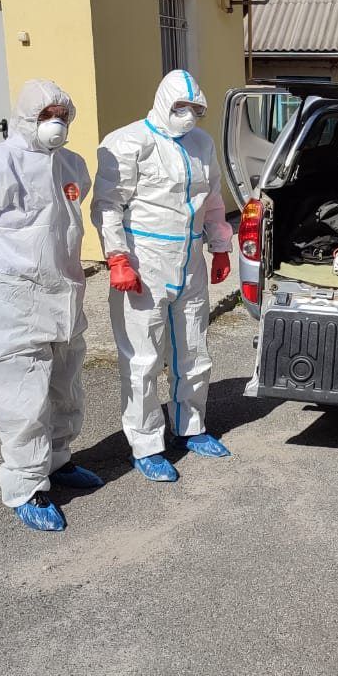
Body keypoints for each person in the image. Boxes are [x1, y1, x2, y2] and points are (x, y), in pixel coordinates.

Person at [0, 80, 102, 533]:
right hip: (14, 298)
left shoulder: (72, 164)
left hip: (63, 292)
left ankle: (58, 461)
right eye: (46, 114)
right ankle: (25, 485)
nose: (56, 123)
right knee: (21, 396)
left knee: (64, 385)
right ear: (26, 117)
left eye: (62, 115)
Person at [92, 69, 235, 483]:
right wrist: (117, 257)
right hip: (144, 262)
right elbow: (107, 205)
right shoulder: (128, 142)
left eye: (195, 109)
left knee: (194, 349)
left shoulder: (201, 144)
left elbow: (211, 199)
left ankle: (191, 427)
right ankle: (146, 444)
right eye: (180, 107)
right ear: (162, 103)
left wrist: (219, 244)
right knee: (143, 358)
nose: (188, 115)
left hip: (189, 259)